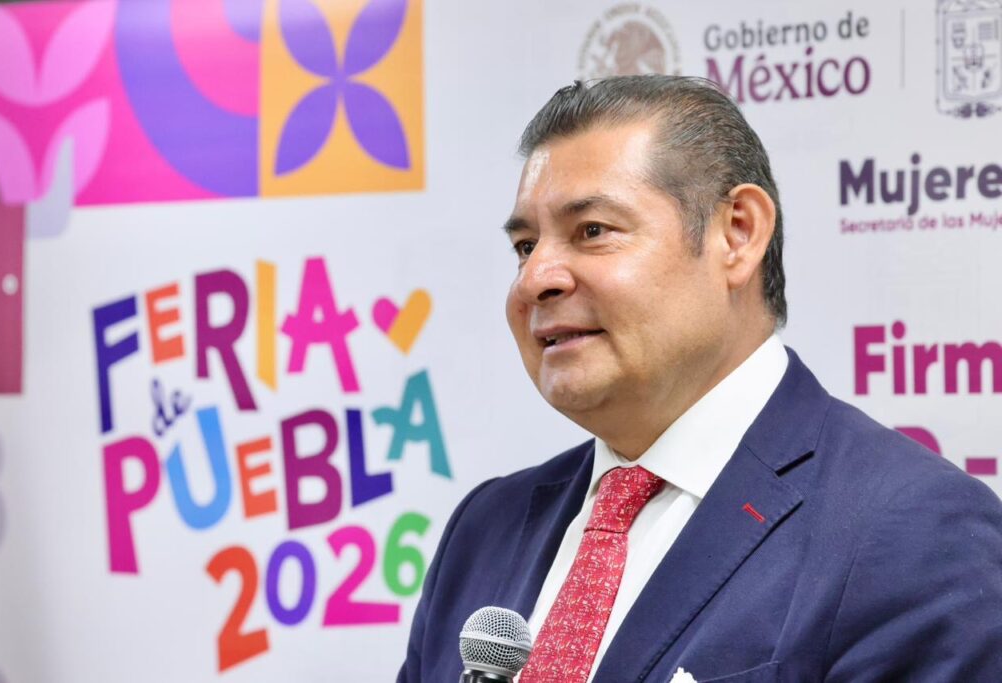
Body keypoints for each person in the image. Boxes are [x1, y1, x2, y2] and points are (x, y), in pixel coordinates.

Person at [398, 76, 1002, 682]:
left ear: (737, 233)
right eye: (526, 246)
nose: (535, 280)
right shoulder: (484, 529)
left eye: (593, 231)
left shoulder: (912, 531)